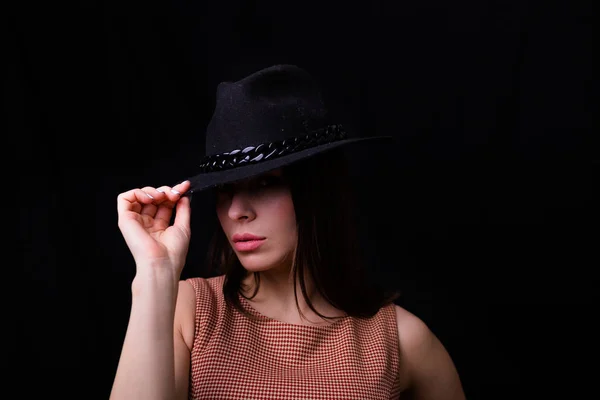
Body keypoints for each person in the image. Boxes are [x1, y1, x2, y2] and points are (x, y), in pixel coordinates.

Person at [109, 64, 466, 400]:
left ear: (318, 191)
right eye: (225, 190)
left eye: (265, 183)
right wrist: (156, 273)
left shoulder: (402, 340)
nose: (237, 211)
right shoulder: (192, 310)